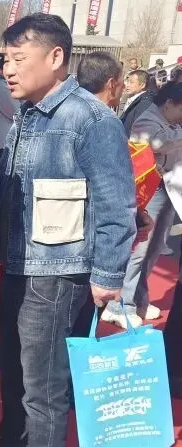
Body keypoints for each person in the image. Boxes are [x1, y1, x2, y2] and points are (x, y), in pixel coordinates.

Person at [0, 13, 136, 447]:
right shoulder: (29, 113)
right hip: (19, 262)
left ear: (56, 57)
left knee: (44, 382)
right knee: (12, 365)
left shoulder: (90, 120)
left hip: (59, 272)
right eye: (6, 59)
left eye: (19, 59)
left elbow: (118, 204)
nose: (8, 69)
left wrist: (108, 274)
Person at [71, 52, 153, 337]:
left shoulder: (65, 112)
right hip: (90, 241)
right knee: (77, 330)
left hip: (65, 242)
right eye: (121, 82)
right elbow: (114, 199)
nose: (123, 87)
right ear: (110, 84)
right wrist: (108, 274)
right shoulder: (102, 121)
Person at [101, 83, 182, 327]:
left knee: (155, 248)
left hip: (169, 189)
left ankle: (138, 299)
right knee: (140, 250)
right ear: (169, 104)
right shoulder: (147, 119)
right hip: (150, 190)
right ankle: (118, 306)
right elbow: (158, 144)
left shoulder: (173, 124)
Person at [122, 69, 156, 134]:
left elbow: (139, 131)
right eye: (127, 82)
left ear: (142, 85)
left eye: (131, 82)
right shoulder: (135, 99)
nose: (127, 85)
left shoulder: (145, 103)